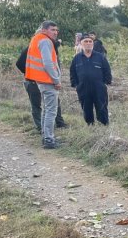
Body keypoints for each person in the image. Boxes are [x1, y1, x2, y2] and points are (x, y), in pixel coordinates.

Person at [25, 20, 62, 149]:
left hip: (41, 80)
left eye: (56, 30)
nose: (55, 32)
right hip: (47, 80)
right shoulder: (45, 41)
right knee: (51, 111)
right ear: (44, 30)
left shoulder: (36, 39)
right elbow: (47, 63)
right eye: (52, 29)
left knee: (47, 110)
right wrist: (56, 80)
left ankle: (46, 136)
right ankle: (49, 140)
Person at [16, 39, 67, 131]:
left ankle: (59, 124)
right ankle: (40, 128)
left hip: (48, 81)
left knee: (54, 103)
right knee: (36, 105)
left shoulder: (52, 47)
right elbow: (19, 63)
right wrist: (31, 74)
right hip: (33, 81)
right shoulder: (31, 48)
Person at [70, 33, 112, 125]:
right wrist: (76, 85)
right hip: (83, 88)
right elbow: (73, 73)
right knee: (86, 108)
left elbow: (107, 70)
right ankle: (90, 125)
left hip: (99, 87)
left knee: (101, 106)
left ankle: (103, 125)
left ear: (93, 43)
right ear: (81, 44)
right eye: (86, 41)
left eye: (90, 41)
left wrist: (105, 83)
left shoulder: (100, 57)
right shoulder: (77, 58)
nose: (88, 43)